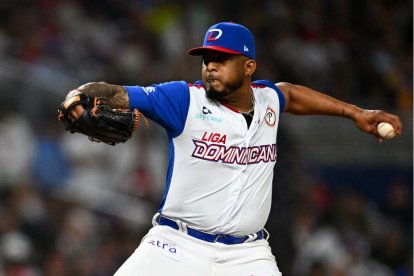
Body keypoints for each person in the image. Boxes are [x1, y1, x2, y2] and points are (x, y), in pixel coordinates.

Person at [63, 22, 402, 275]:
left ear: (249, 67)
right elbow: (115, 91)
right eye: (207, 58)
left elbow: (292, 94)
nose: (211, 65)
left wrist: (357, 112)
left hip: (248, 254)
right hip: (176, 245)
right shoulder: (184, 99)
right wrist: (78, 94)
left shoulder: (267, 98)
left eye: (223, 59)